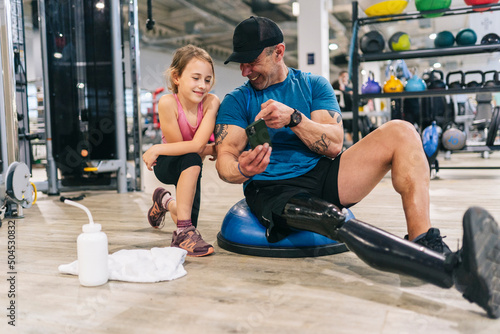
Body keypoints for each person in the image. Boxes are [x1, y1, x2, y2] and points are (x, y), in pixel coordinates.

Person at [214, 16, 500, 318]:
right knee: (330, 217)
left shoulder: (313, 86)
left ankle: (424, 240)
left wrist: (295, 119)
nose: (244, 71)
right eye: (240, 63)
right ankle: (453, 272)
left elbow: (335, 143)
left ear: (279, 52)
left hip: (321, 173)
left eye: (251, 62)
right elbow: (225, 159)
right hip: (272, 187)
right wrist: (243, 169)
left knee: (402, 130)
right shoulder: (237, 100)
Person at [143, 44, 219, 257]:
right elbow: (183, 148)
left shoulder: (212, 102)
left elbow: (196, 146)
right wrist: (209, 148)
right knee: (192, 156)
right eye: (195, 78)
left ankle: (164, 202)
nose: (202, 85)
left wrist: (156, 147)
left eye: (207, 79)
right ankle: (182, 234)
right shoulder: (168, 103)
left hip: (190, 163)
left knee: (187, 218)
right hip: (168, 163)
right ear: (176, 77)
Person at [332, 70, 353, 144]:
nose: (345, 78)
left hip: (349, 110)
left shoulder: (348, 87)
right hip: (341, 112)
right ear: (340, 77)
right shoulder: (336, 85)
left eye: (346, 77)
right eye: (343, 77)